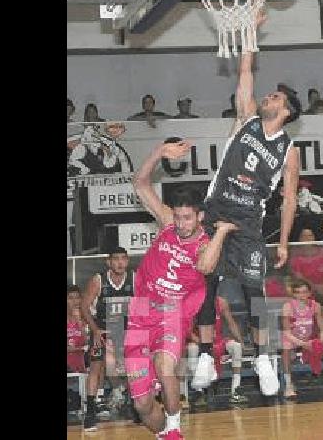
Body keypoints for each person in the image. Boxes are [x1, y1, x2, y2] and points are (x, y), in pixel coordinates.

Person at [192, 11, 303, 398]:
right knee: (206, 283)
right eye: (269, 94)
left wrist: (285, 241)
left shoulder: (289, 150)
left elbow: (289, 200)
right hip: (218, 207)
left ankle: (262, 359)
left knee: (255, 292)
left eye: (276, 97)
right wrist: (251, 34)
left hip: (249, 221)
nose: (268, 97)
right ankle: (206, 355)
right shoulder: (246, 120)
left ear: (286, 110)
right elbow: (245, 76)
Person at [125, 139, 239, 440]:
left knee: (165, 365)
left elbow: (205, 268)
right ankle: (163, 433)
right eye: (177, 216)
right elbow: (139, 183)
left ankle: (175, 426)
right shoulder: (167, 224)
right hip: (139, 314)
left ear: (200, 216)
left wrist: (222, 232)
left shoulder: (205, 244)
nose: (180, 222)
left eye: (187, 217)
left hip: (171, 313)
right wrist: (158, 153)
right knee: (142, 404)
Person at [79, 247, 135, 431]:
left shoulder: (135, 278)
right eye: (116, 258)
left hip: (125, 331)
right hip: (102, 330)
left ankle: (134, 404)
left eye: (123, 258)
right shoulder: (98, 280)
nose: (120, 262)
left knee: (136, 366)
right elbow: (84, 307)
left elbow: (141, 308)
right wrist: (94, 331)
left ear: (127, 261)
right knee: (96, 366)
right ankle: (90, 412)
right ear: (108, 262)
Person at [280, 279, 323, 398]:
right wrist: (302, 344)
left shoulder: (315, 306)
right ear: (293, 294)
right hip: (293, 338)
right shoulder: (288, 307)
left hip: (310, 338)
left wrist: (321, 339)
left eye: (304, 292)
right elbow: (286, 333)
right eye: (298, 292)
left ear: (309, 293)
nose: (301, 295)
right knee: (286, 348)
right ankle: (289, 386)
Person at [185, 296, 248, 406]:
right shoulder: (195, 301)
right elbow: (188, 329)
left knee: (237, 347)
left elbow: (231, 323)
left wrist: (241, 341)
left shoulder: (222, 302)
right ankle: (199, 392)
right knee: (192, 348)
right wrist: (202, 343)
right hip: (201, 341)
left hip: (219, 340)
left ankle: (236, 390)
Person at [288, 228, 323, 305]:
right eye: (304, 236)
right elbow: (298, 276)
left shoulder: (322, 251)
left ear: (314, 237)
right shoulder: (295, 255)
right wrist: (314, 287)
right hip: (306, 286)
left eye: (310, 236)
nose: (307, 238)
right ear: (300, 239)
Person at [67, 286, 88, 374]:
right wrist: (80, 348)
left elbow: (88, 343)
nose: (74, 301)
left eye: (77, 298)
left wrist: (79, 320)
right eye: (71, 298)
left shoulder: (86, 320)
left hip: (80, 370)